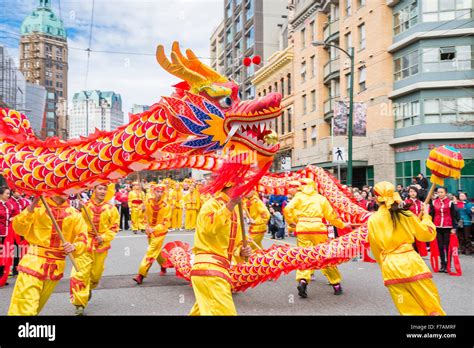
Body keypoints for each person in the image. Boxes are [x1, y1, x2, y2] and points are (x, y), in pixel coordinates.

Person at [368, 181, 445, 315]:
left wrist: (383, 266)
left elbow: (375, 249)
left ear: (376, 199)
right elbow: (426, 234)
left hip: (391, 267)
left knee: (407, 309)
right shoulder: (406, 214)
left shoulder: (373, 220)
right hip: (412, 263)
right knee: (431, 305)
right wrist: (426, 216)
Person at [8, 195, 88, 315]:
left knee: (36, 307)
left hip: (55, 268)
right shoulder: (37, 208)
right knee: (25, 307)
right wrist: (32, 206)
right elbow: (19, 228)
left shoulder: (75, 214)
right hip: (32, 263)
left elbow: (83, 239)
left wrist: (74, 246)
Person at [188, 184, 252, 315]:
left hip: (219, 269)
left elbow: (235, 244)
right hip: (209, 270)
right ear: (231, 186)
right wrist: (230, 205)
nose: (246, 189)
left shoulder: (236, 211)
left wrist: (241, 251)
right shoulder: (211, 204)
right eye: (242, 186)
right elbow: (210, 228)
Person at [284, 178, 351, 298]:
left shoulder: (299, 197)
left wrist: (292, 223)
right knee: (325, 256)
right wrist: (342, 225)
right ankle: (336, 284)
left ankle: (303, 280)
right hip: (318, 229)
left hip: (303, 228)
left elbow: (287, 209)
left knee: (304, 255)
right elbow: (331, 216)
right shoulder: (321, 198)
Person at [70, 184, 120, 315]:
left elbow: (114, 227)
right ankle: (79, 304)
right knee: (80, 273)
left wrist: (103, 237)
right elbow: (73, 221)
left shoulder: (111, 209)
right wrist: (78, 210)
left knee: (95, 275)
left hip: (101, 246)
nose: (103, 191)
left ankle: (89, 288)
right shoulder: (84, 205)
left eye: (105, 189)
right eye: (100, 188)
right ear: (94, 190)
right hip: (84, 244)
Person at [133, 184, 172, 284]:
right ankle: (164, 265)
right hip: (150, 232)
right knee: (157, 252)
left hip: (160, 233)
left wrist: (154, 229)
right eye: (157, 191)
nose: (159, 194)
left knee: (151, 251)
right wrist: (141, 210)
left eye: (161, 192)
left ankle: (141, 274)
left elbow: (165, 222)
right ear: (153, 192)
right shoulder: (148, 202)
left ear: (164, 193)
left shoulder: (166, 206)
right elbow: (140, 214)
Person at [430, 187, 458, 273]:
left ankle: (448, 265)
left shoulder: (450, 203)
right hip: (437, 226)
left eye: (442, 192)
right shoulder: (434, 202)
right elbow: (432, 215)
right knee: (440, 247)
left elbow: (454, 216)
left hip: (448, 227)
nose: (440, 194)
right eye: (438, 192)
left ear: (445, 193)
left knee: (447, 247)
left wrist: (454, 228)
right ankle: (443, 264)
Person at [7, 189, 30, 277]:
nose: (20, 193)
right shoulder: (9, 202)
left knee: (22, 247)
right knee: (13, 248)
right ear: (13, 192)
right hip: (11, 228)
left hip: (22, 227)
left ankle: (19, 267)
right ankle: (11, 269)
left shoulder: (24, 202)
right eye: (18, 192)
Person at [404, 186, 427, 256]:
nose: (413, 193)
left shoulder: (421, 203)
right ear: (408, 193)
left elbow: (424, 214)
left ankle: (418, 256)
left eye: (414, 191)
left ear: (417, 193)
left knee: (419, 241)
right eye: (411, 191)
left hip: (419, 224)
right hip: (409, 225)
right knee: (410, 242)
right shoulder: (405, 202)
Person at [0, 187, 12, 287]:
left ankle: (2, 277)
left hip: (6, 234)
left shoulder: (8, 205)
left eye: (9, 194)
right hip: (0, 233)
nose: (8, 195)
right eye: (6, 194)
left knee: (4, 256)